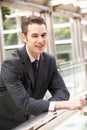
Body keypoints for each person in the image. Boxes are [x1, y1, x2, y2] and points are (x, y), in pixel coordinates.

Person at [0, 15, 87, 130]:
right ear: (24, 37)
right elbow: (24, 103)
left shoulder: (49, 60)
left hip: (33, 122)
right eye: (35, 36)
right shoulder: (11, 64)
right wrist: (65, 104)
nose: (41, 40)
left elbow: (62, 92)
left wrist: (41, 108)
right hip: (8, 125)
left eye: (43, 35)